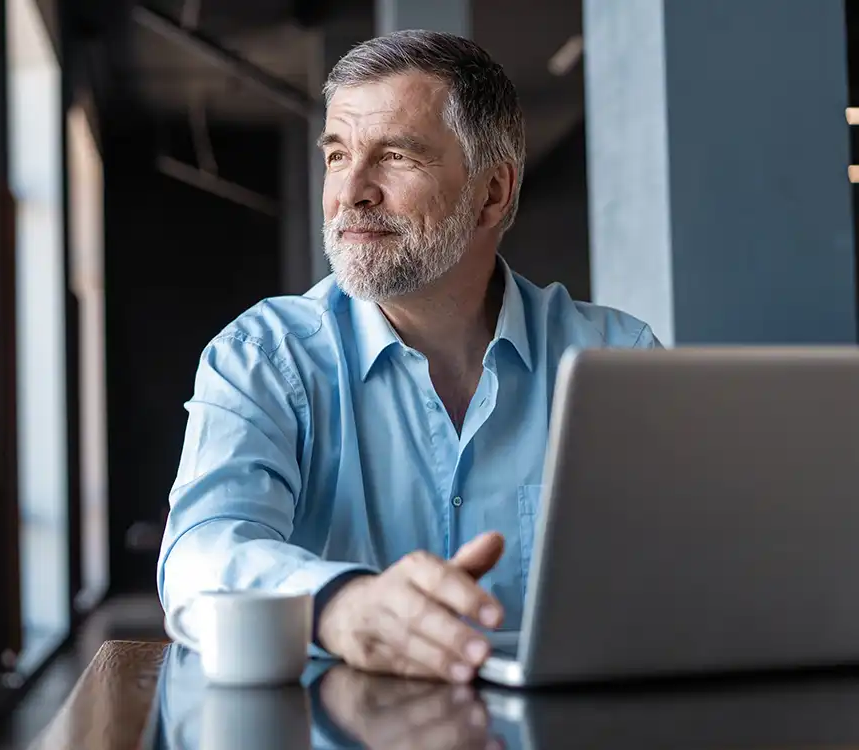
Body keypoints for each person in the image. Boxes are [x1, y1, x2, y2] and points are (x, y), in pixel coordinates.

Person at [158, 30, 659, 684]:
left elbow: (688, 571)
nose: (352, 192)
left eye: (395, 156)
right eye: (338, 155)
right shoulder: (263, 358)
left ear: (492, 193)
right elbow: (199, 555)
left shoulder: (615, 360)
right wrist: (338, 604)